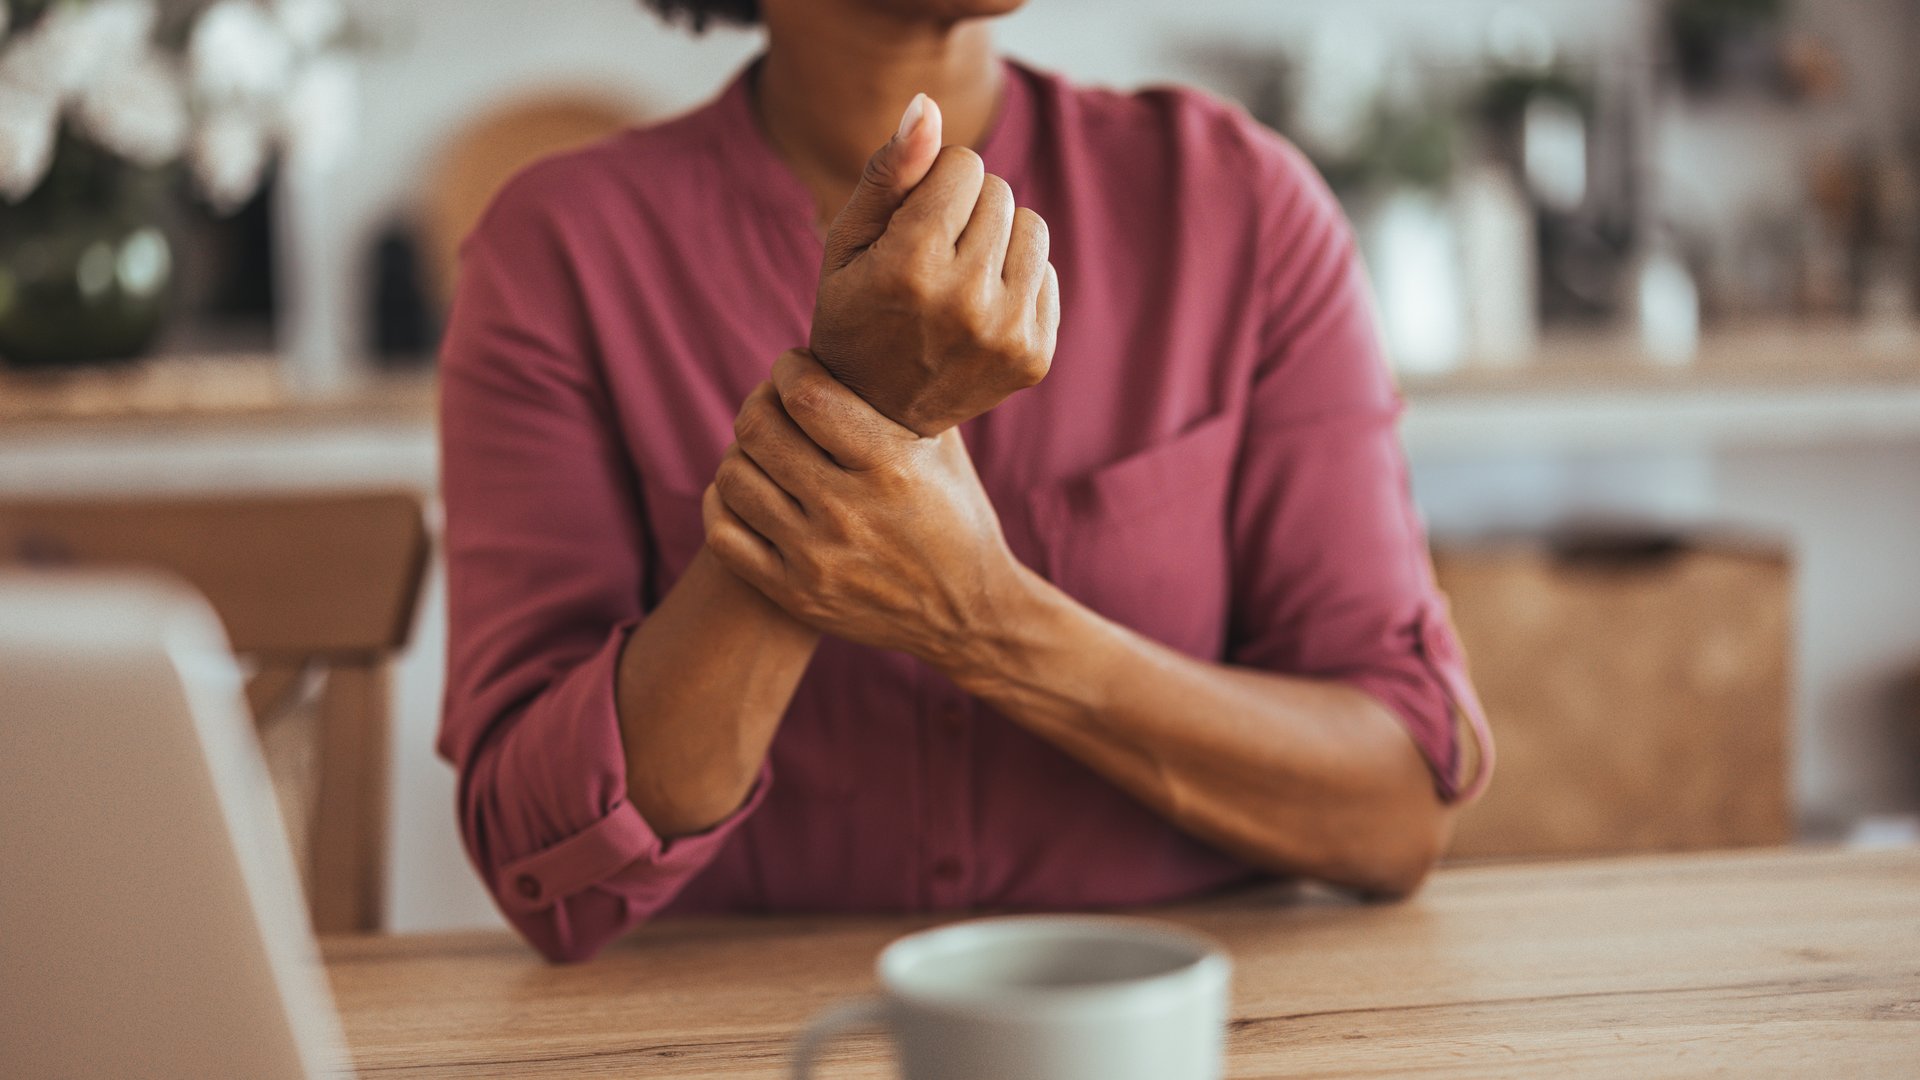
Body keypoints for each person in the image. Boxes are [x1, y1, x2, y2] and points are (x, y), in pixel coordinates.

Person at [438, 0, 1493, 964]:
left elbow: (1393, 805)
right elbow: (547, 864)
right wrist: (863, 398)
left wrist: (988, 618)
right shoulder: (559, 252)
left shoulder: (1237, 205)